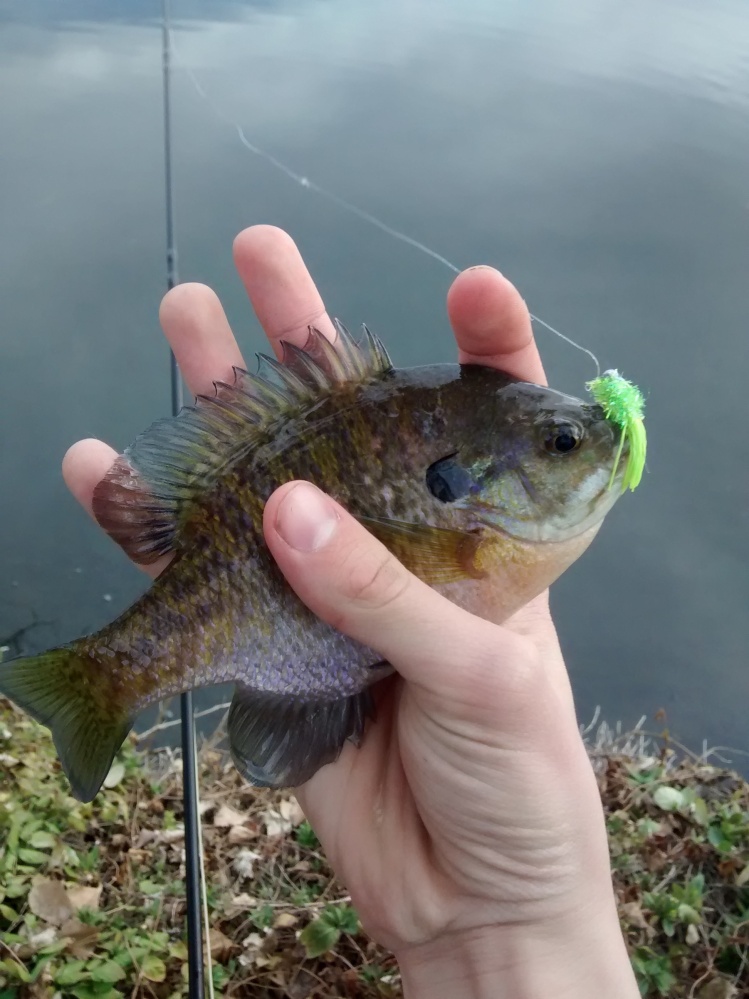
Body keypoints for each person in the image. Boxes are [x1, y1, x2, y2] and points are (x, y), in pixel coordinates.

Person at [62, 225, 640, 997]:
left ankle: (95, 682)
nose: (584, 446)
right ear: (476, 477)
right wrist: (521, 926)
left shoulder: (480, 536)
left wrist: (512, 918)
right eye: (563, 442)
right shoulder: (471, 540)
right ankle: (97, 683)